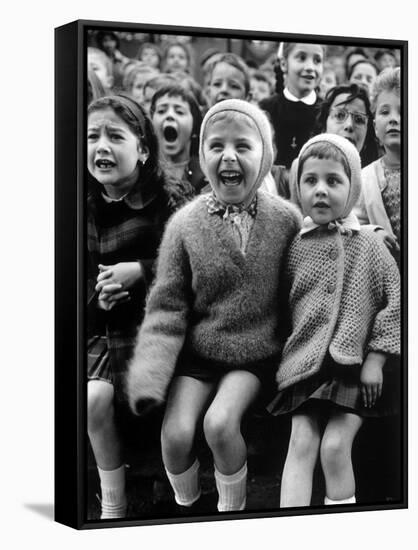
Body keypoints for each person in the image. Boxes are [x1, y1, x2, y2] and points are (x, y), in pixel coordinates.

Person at [126, 99, 302, 513]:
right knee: (175, 435)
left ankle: (230, 512)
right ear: (202, 155)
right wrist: (151, 372)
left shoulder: (285, 219)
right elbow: (166, 304)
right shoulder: (185, 224)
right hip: (201, 353)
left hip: (255, 353)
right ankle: (190, 508)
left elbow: (301, 286)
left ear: (266, 156)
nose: (229, 156)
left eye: (243, 145)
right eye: (216, 145)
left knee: (219, 424)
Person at [268, 133, 400, 508]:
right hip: (306, 367)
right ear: (298, 187)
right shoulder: (295, 245)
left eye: (333, 181)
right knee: (301, 440)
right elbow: (283, 306)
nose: (321, 191)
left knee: (335, 446)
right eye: (310, 181)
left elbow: (396, 303)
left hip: (356, 369)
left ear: (353, 186)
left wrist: (376, 360)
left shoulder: (369, 244)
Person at [86, 95, 191, 519]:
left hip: (157, 328)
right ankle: (113, 503)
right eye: (93, 137)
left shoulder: (168, 202)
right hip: (99, 327)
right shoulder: (79, 204)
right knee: (94, 399)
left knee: (154, 397)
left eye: (115, 136)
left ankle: (181, 496)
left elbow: (190, 269)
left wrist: (141, 271)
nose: (101, 147)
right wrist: (98, 298)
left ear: (143, 149)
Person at [354, 68, 401, 263]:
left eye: (403, 110)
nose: (393, 118)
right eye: (384, 111)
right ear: (374, 127)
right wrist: (372, 234)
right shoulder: (365, 178)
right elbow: (353, 226)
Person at [259, 42, 325, 169]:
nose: (310, 67)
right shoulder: (265, 109)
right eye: (301, 58)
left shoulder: (326, 112)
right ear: (284, 64)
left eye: (317, 60)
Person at [150, 83, 206, 195]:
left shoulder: (207, 177)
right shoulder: (142, 176)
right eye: (161, 111)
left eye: (179, 112)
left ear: (194, 128)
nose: (169, 115)